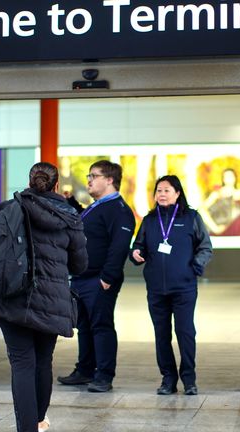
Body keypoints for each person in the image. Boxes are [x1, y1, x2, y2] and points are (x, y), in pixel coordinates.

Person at [0, 162, 88, 432]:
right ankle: (38, 420)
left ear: (30, 181)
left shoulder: (11, 209)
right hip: (51, 302)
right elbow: (80, 265)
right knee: (43, 361)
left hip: (13, 296)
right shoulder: (70, 217)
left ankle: (26, 428)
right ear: (56, 185)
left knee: (22, 363)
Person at [129, 175, 213, 396]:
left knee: (185, 333)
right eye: (158, 191)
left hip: (184, 288)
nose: (162, 194)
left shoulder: (191, 217)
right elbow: (138, 246)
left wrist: (195, 267)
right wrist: (136, 253)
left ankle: (189, 379)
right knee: (161, 334)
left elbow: (205, 247)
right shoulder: (149, 220)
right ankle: (168, 378)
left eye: (167, 190)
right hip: (156, 289)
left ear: (177, 193)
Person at [58, 160, 135, 393]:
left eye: (93, 175)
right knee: (85, 326)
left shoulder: (118, 210)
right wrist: (71, 202)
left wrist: (108, 277)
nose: (88, 180)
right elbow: (89, 224)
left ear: (109, 180)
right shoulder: (98, 206)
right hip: (83, 278)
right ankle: (84, 371)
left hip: (99, 279)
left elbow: (119, 246)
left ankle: (103, 376)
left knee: (101, 326)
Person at [199, 168, 240, 236]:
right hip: (220, 228)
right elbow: (201, 209)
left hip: (237, 230)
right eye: (226, 176)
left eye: (231, 176)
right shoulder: (217, 194)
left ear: (235, 178)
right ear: (223, 179)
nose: (229, 178)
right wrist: (215, 228)